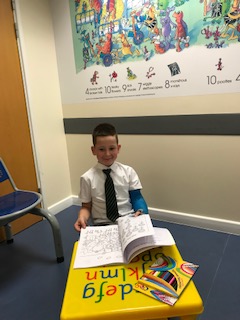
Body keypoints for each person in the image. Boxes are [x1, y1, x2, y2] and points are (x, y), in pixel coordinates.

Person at [74, 123, 148, 232]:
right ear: (93, 150)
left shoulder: (128, 172)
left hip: (128, 220)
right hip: (102, 225)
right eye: (101, 149)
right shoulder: (87, 178)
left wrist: (142, 211)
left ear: (118, 148)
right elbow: (86, 207)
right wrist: (82, 218)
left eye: (112, 148)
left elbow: (137, 197)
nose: (107, 154)